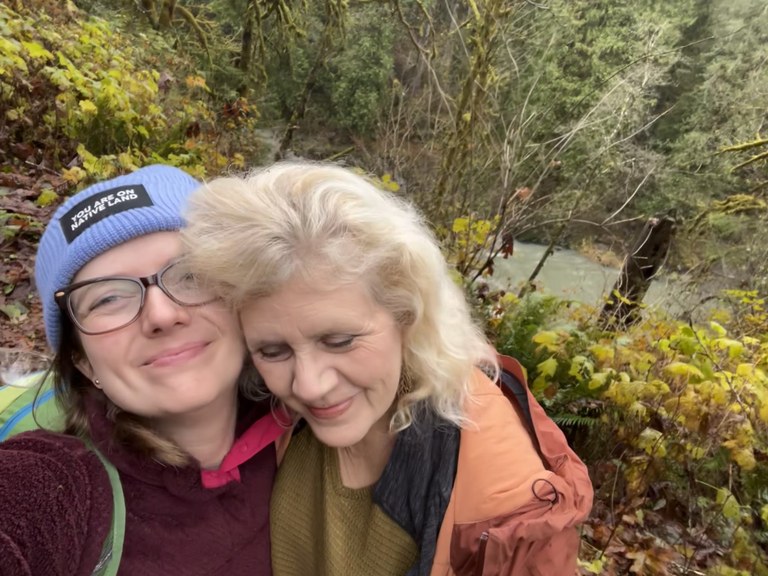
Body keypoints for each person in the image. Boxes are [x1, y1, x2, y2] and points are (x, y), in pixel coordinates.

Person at [181, 162, 594, 576]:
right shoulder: (265, 416)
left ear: (407, 316)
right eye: (273, 351)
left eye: (339, 341)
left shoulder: (504, 503)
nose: (308, 386)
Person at [0, 165, 282, 576]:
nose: (162, 315)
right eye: (108, 298)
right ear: (81, 360)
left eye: (191, 275)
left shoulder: (314, 423)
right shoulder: (52, 485)